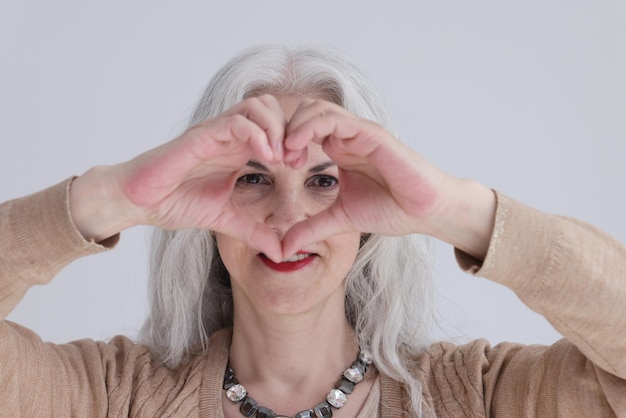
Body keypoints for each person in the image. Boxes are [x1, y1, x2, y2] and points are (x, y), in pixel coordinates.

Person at [0, 44, 624, 418]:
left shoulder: (481, 397)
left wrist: (453, 209)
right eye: (251, 180)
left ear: (377, 215)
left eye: (325, 182)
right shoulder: (109, 398)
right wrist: (112, 197)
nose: (287, 218)